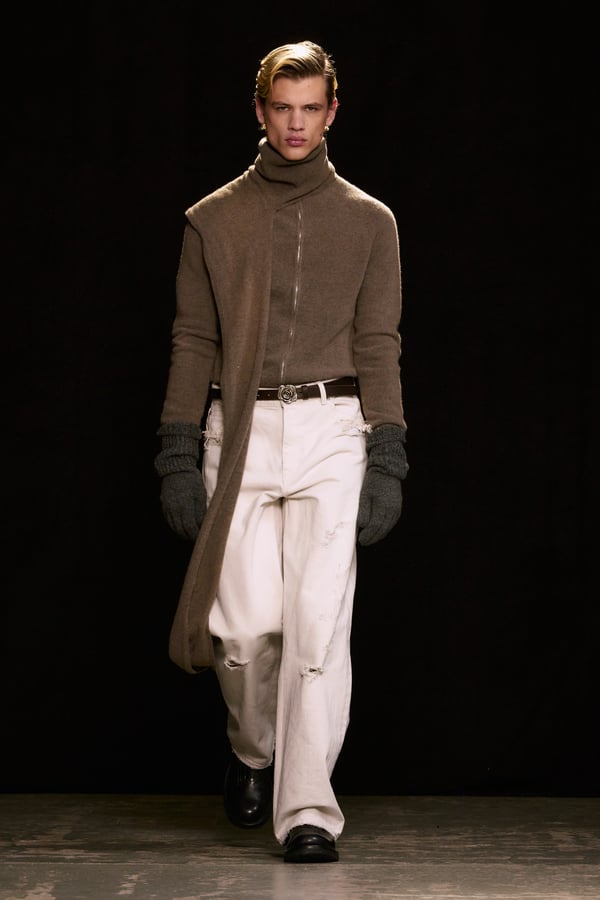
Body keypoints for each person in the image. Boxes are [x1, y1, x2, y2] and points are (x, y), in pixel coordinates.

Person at [154, 39, 408, 863]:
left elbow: (379, 342)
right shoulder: (212, 219)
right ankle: (253, 750)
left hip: (334, 430)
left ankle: (306, 813)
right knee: (241, 631)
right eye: (282, 108)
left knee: (316, 629)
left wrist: (388, 451)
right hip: (241, 429)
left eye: (310, 109)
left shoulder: (370, 221)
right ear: (260, 111)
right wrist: (177, 451)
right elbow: (194, 339)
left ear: (332, 113)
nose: (296, 124)